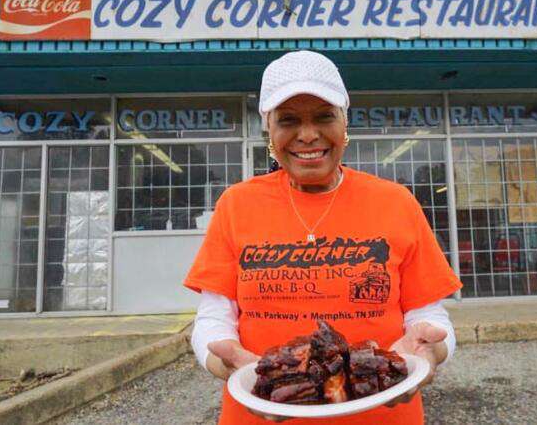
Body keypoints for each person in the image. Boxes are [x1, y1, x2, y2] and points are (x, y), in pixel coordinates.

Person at [183, 50, 462, 425]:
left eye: (324, 116)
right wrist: (224, 360)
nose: (308, 134)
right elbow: (213, 318)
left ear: (345, 122)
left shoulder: (396, 202)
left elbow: (428, 313)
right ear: (269, 130)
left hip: (382, 413)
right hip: (260, 410)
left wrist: (431, 349)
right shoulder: (237, 204)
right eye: (288, 120)